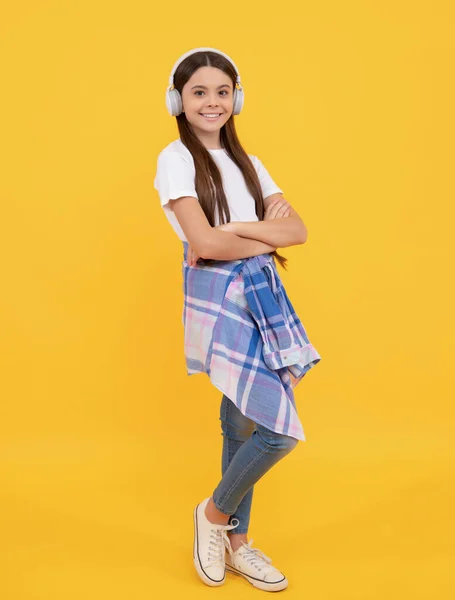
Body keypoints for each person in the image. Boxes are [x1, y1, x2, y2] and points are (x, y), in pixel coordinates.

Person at [154, 47, 321, 592]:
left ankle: (234, 542)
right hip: (218, 297)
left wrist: (234, 234)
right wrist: (256, 231)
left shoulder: (249, 163)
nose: (212, 102)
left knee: (241, 423)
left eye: (222, 92)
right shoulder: (175, 158)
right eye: (199, 92)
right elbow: (200, 241)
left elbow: (296, 232)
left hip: (259, 293)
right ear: (179, 100)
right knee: (277, 431)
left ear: (237, 98)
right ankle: (216, 513)